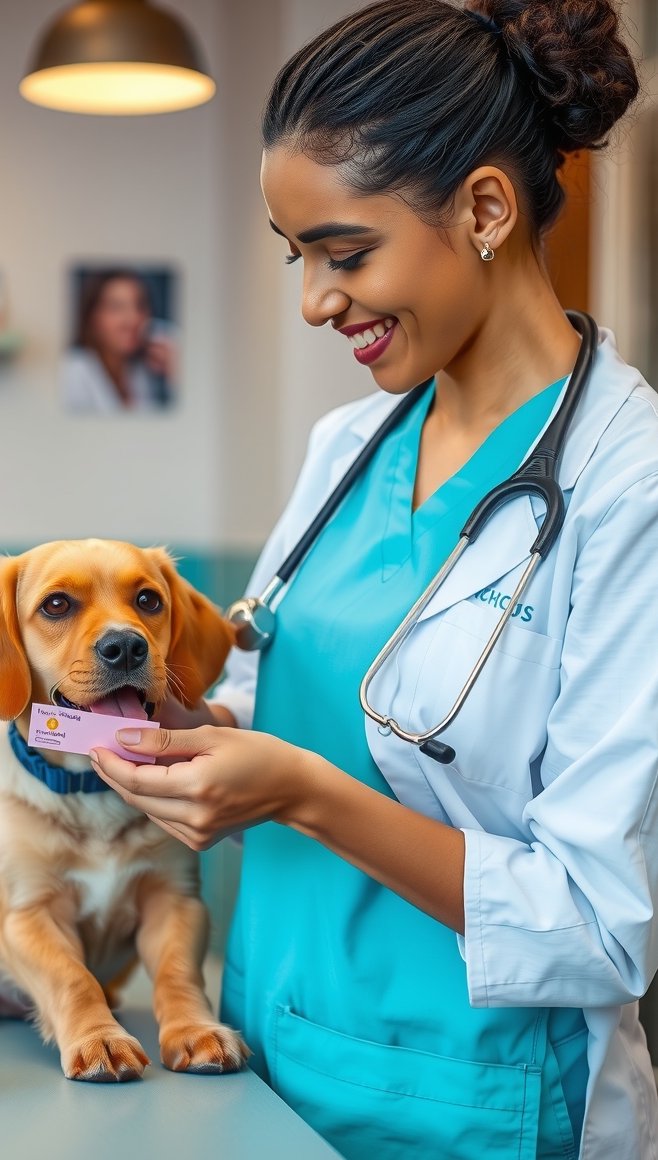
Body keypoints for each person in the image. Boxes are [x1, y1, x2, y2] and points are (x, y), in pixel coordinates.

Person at [90, 2, 655, 1157]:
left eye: (344, 253)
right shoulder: (347, 448)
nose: (313, 300)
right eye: (296, 255)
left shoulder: (625, 486)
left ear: (485, 209)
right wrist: (183, 732)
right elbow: (288, 715)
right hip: (258, 1056)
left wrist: (296, 791)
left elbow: (600, 926)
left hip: (477, 1102)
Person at [61, 269, 175, 413]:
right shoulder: (73, 372)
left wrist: (179, 372)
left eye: (140, 305)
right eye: (116, 307)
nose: (133, 319)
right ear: (92, 318)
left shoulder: (141, 373)